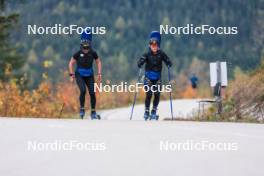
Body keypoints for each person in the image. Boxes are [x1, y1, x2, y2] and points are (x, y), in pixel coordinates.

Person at [137, 31, 172, 120]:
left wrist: (168, 63)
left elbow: (168, 60)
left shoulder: (161, 53)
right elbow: (139, 63)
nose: (154, 47)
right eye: (153, 45)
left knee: (157, 93)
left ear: (158, 45)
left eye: (156, 45)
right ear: (150, 46)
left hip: (157, 77)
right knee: (149, 94)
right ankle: (146, 111)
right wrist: (141, 62)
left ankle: (154, 111)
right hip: (148, 77)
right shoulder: (147, 54)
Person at [68, 30, 102, 119]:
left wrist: (99, 73)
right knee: (83, 90)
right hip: (79, 74)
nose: (86, 50)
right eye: (84, 48)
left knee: (92, 93)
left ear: (89, 45)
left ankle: (93, 112)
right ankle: (82, 109)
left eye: (87, 48)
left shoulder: (93, 52)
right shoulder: (78, 53)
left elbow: (98, 62)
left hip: (89, 75)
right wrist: (71, 75)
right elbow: (71, 63)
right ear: (82, 45)